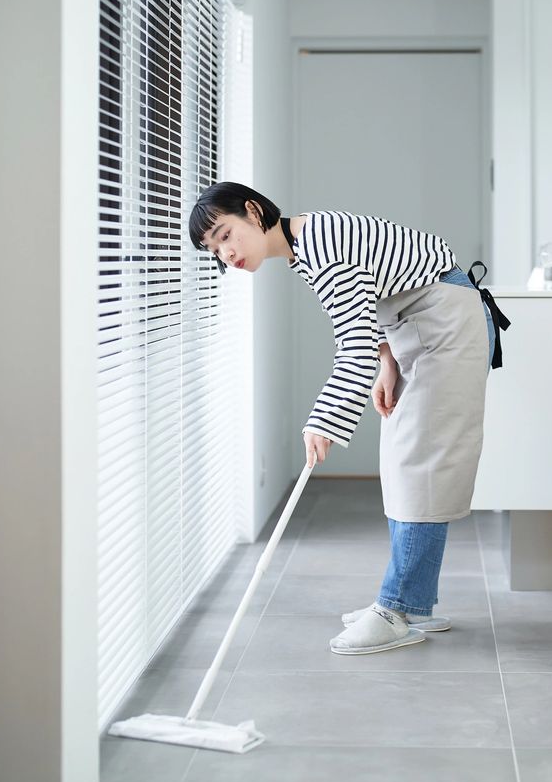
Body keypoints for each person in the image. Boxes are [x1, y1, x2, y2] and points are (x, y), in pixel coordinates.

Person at [189, 182, 509, 656]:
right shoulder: (306, 246)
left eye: (225, 234)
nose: (226, 253)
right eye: (214, 250)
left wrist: (322, 421)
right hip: (418, 328)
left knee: (423, 466)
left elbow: (352, 344)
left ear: (253, 212)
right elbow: (369, 311)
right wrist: (389, 362)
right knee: (406, 465)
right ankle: (413, 603)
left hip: (446, 326)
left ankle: (396, 608)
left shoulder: (320, 246)